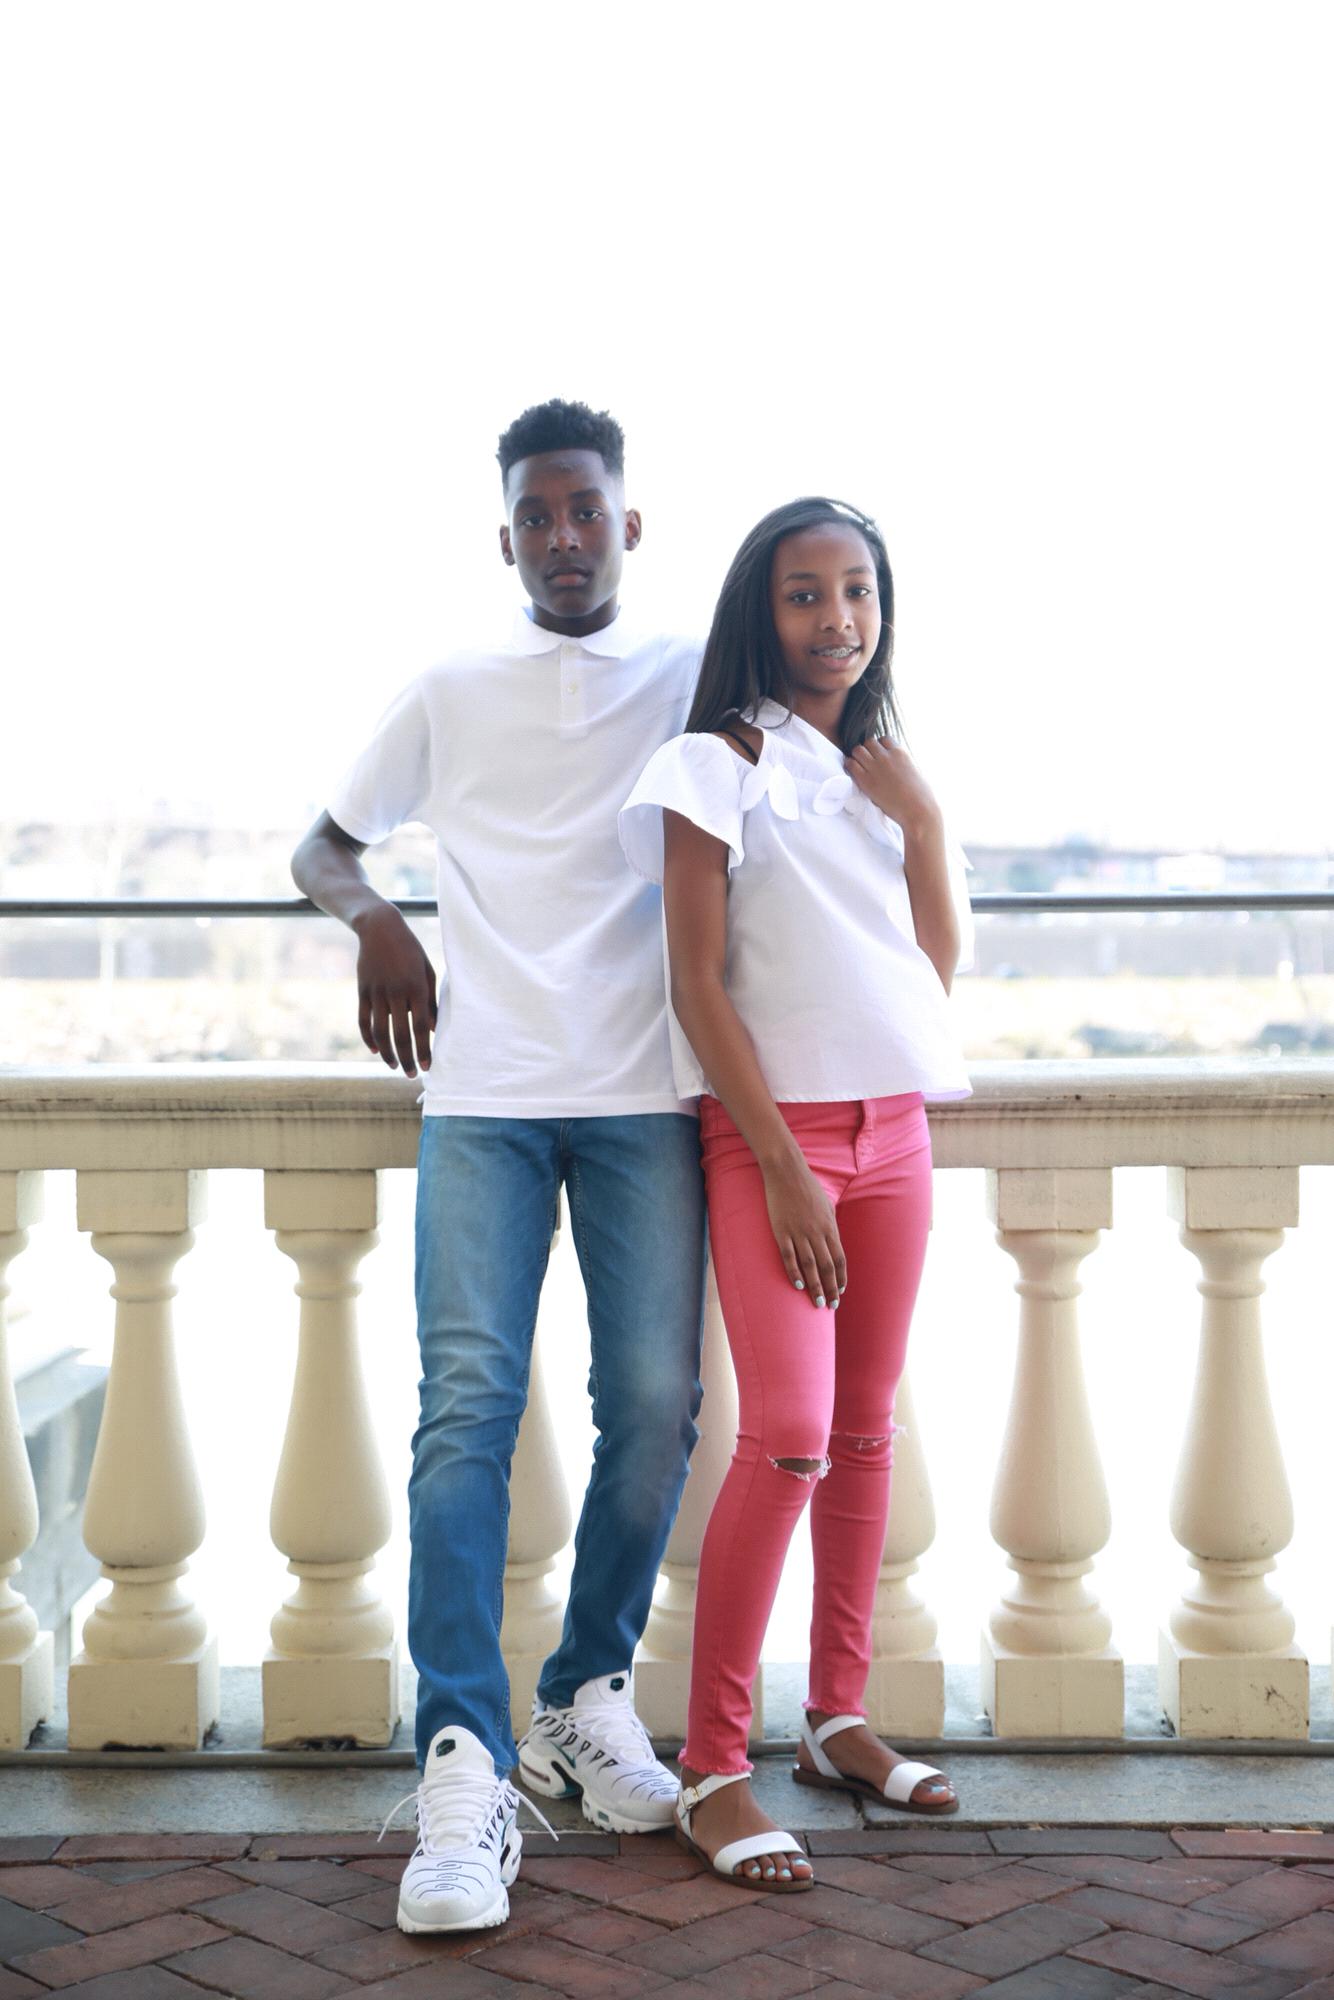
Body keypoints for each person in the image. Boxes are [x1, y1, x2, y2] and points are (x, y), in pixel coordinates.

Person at [292, 399, 707, 1935]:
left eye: (584, 509)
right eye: (535, 515)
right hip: (481, 1098)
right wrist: (378, 923)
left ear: (627, 522)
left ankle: (582, 1697)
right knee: (463, 1413)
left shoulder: (692, 675)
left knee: (654, 1405)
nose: (562, 536)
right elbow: (322, 846)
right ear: (507, 537)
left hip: (646, 1097)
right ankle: (461, 1758)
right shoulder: (451, 689)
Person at [618, 496, 972, 1891]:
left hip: (895, 1132)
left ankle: (834, 1718)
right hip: (775, 1140)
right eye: (805, 593)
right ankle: (714, 1768)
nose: (838, 619)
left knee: (867, 1430)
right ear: (759, 614)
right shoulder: (714, 764)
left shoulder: (882, 773)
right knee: (787, 1439)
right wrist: (779, 1166)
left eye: (858, 591)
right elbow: (695, 984)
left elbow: (927, 975)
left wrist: (922, 821)